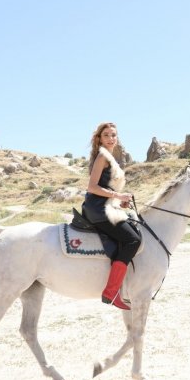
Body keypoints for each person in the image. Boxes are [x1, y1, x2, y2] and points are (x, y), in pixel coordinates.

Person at [82, 122, 141, 310]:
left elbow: (105, 188)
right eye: (106, 135)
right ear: (100, 138)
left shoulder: (108, 157)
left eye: (114, 135)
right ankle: (111, 291)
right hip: (98, 210)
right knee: (133, 240)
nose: (111, 138)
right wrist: (118, 196)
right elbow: (92, 187)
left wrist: (119, 202)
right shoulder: (102, 156)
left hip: (105, 206)